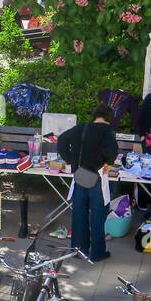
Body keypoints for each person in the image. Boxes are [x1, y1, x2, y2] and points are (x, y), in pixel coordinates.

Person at [58, 104, 119, 262]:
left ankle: (78, 250)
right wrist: (108, 162)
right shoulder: (107, 131)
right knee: (98, 217)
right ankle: (97, 253)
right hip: (97, 179)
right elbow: (111, 152)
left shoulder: (81, 128)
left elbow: (62, 140)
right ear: (108, 119)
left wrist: (71, 160)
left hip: (79, 177)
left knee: (79, 216)